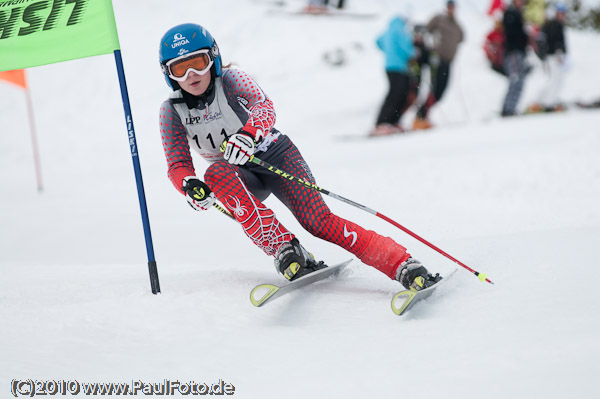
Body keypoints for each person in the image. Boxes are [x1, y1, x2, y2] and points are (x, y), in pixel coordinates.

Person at [158, 23, 440, 291]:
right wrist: (189, 186)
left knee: (319, 223)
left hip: (275, 157)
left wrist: (248, 134)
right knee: (214, 174)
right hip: (238, 176)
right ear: (168, 73)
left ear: (214, 58)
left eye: (198, 62)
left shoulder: (231, 79)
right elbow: (178, 165)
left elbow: (264, 107)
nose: (191, 75)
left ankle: (402, 264)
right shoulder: (171, 110)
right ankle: (284, 248)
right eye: (180, 68)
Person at [413, 0, 464, 130]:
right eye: (449, 7)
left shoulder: (457, 25)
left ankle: (423, 115)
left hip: (448, 61)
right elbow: (425, 30)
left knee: (441, 90)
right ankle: (420, 116)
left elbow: (462, 37)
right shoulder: (439, 19)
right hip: (437, 59)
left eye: (453, 7)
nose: (451, 9)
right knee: (435, 87)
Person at [371, 16, 415, 136]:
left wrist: (389, 51)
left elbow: (378, 41)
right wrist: (413, 53)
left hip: (389, 66)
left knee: (396, 93)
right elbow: (408, 49)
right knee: (397, 94)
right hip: (400, 67)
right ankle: (383, 122)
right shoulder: (400, 30)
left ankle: (389, 122)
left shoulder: (388, 30)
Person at [528, 3, 569, 113]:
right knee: (555, 79)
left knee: (556, 79)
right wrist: (559, 53)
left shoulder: (553, 24)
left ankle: (547, 101)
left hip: (552, 56)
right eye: (561, 13)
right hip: (553, 56)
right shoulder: (555, 24)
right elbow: (555, 42)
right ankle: (547, 102)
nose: (562, 15)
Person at [501, 0, 530, 117]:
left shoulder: (518, 14)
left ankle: (511, 107)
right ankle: (508, 109)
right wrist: (525, 34)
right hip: (513, 52)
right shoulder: (510, 13)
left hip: (520, 52)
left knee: (520, 80)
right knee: (516, 79)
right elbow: (512, 33)